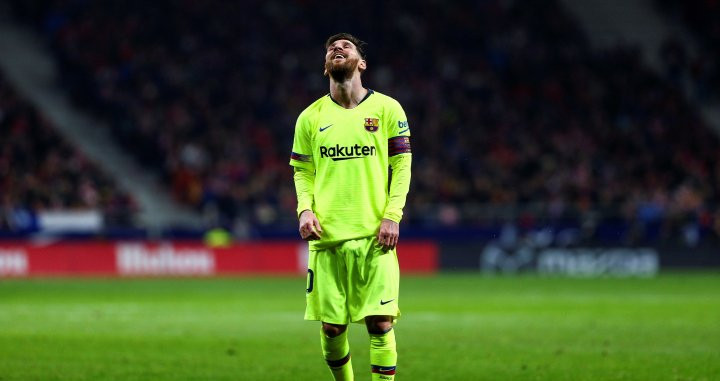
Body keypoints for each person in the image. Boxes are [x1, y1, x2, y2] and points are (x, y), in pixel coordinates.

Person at [289, 33, 412, 381]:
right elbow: (302, 172)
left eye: (346, 46)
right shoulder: (309, 118)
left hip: (375, 235)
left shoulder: (387, 109)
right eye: (331, 48)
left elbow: (402, 166)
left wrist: (392, 215)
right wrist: (304, 210)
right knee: (331, 330)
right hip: (327, 238)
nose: (337, 48)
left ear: (362, 63)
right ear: (326, 65)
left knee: (380, 322)